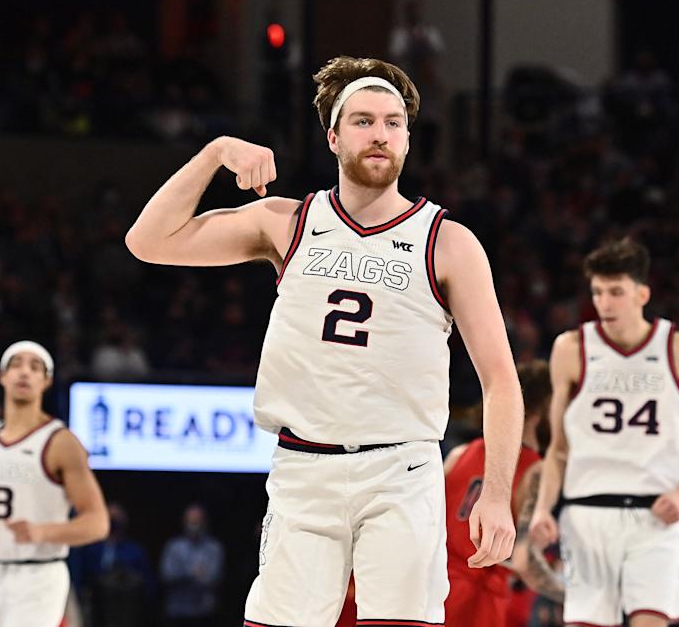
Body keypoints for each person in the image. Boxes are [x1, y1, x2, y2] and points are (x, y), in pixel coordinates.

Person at [125, 56, 524, 626]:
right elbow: (147, 240)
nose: (379, 134)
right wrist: (215, 152)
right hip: (303, 466)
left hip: (401, 470)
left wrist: (497, 493)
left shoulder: (448, 241)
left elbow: (501, 382)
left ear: (409, 139)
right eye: (362, 121)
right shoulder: (286, 221)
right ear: (333, 136)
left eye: (392, 122)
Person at [530, 238, 679, 627]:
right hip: (586, 511)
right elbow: (559, 449)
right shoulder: (571, 348)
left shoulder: (678, 348)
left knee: (650, 619)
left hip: (655, 514)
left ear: (642, 294)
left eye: (616, 292)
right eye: (598, 292)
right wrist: (541, 508)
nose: (605, 303)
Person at [0, 340, 110, 627]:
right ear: (2, 376)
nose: (24, 372)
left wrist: (42, 531)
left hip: (37, 575)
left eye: (35, 367)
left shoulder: (61, 443)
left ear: (46, 381)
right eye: (16, 365)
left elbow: (98, 523)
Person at [442, 359, 564, 627]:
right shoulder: (536, 470)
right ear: (541, 410)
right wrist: (572, 595)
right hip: (477, 601)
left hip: (434, 588)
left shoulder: (460, 453)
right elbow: (524, 562)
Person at [159, 503, 224, 627]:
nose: (194, 525)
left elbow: (214, 578)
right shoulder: (173, 547)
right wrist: (192, 574)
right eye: (191, 521)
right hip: (177, 612)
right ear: (184, 522)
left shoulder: (214, 548)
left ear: (205, 522)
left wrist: (184, 575)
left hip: (204, 613)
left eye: (197, 521)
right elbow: (167, 575)